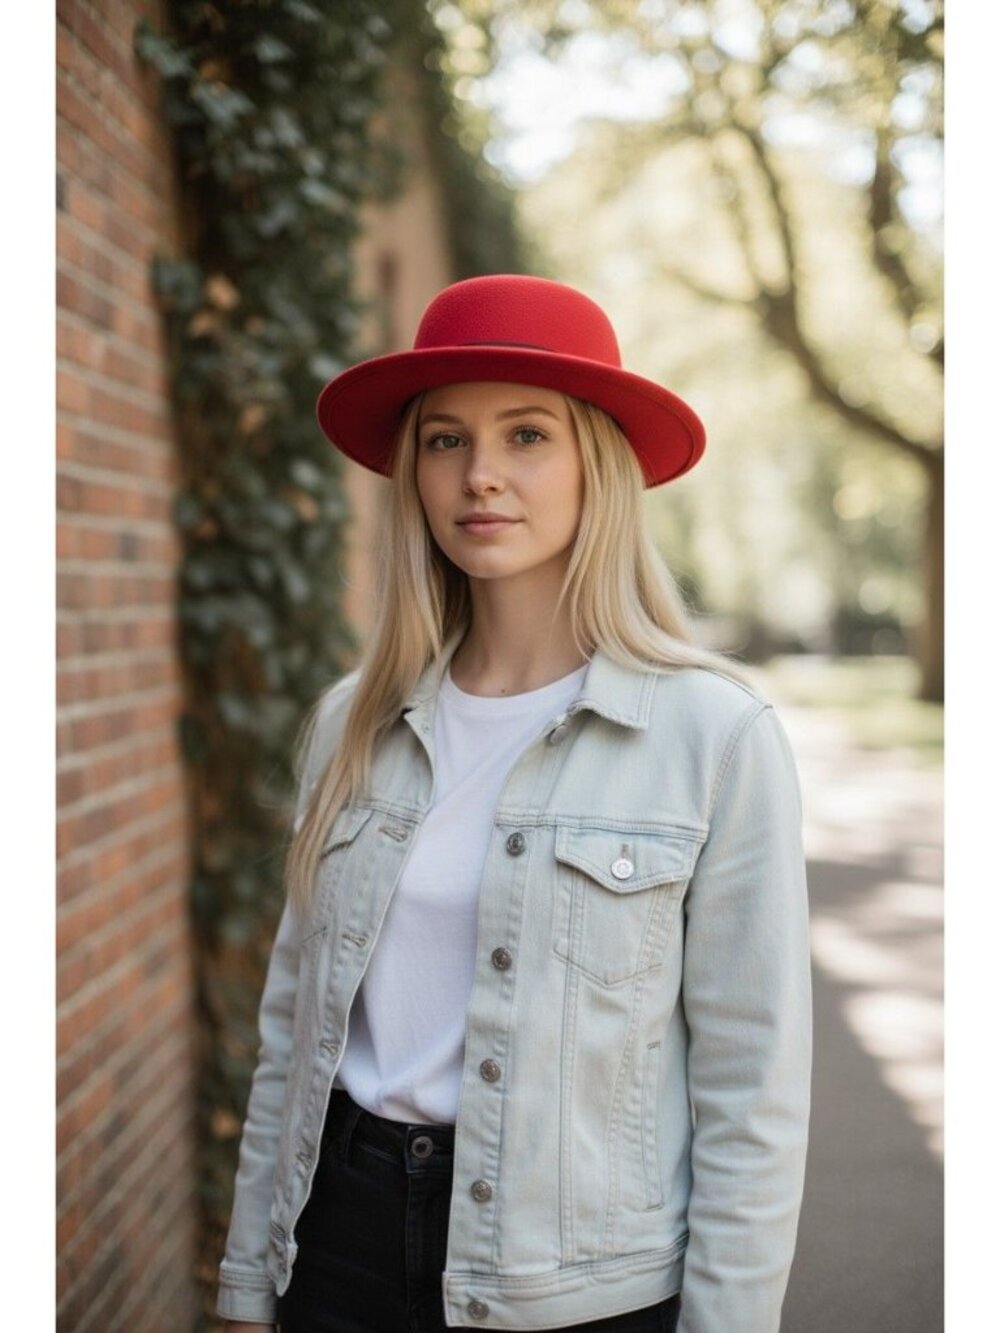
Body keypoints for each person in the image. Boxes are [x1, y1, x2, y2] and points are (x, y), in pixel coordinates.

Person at [216, 274, 812, 1333]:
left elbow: (751, 1093)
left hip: (578, 1280)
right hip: (338, 1246)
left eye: (527, 435)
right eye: (444, 440)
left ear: (598, 465)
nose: (480, 475)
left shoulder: (712, 736)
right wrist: (245, 1286)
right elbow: (290, 1026)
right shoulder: (351, 724)